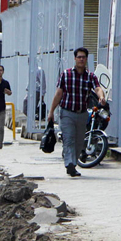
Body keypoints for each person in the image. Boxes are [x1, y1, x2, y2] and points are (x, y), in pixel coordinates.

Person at [48, 47, 105, 177]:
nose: (81, 59)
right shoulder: (66, 74)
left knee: (79, 141)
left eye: (83, 57)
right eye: (79, 57)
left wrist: (101, 97)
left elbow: (97, 88)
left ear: (86, 59)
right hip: (67, 113)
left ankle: (72, 162)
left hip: (82, 113)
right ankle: (70, 165)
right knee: (69, 139)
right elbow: (58, 94)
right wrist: (51, 112)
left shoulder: (90, 76)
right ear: (75, 58)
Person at [23, 57, 47, 122]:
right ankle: (32, 120)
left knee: (32, 108)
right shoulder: (31, 70)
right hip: (30, 91)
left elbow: (43, 84)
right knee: (25, 104)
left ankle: (33, 122)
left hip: (36, 91)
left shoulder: (39, 70)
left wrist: (42, 95)